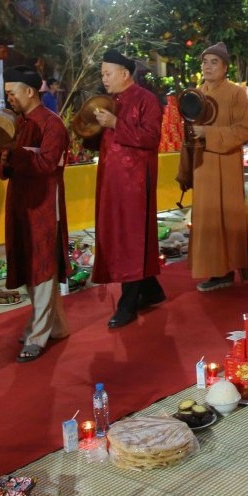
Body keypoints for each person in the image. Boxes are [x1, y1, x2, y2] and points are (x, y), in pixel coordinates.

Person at [86, 49, 165, 328]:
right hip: (110, 178)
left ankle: (128, 304)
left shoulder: (146, 99)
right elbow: (102, 140)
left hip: (134, 181)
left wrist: (116, 123)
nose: (104, 78)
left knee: (131, 237)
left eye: (108, 73)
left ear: (124, 74)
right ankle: (152, 289)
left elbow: (151, 138)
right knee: (116, 234)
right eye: (102, 73)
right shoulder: (108, 101)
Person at [0, 65, 70, 360]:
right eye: (7, 94)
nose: (9, 99)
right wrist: (4, 156)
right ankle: (57, 326)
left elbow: (48, 165)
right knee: (29, 262)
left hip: (43, 202)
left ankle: (38, 335)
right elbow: (2, 169)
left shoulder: (53, 125)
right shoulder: (16, 122)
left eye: (12, 93)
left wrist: (16, 153)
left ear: (29, 92)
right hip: (19, 201)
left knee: (42, 264)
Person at [188, 42, 248, 291]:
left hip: (226, 162)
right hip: (203, 165)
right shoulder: (196, 94)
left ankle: (243, 264)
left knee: (229, 217)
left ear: (225, 68)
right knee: (208, 218)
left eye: (214, 62)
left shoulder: (235, 93)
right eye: (205, 62)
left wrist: (208, 133)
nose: (208, 66)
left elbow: (245, 130)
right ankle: (221, 270)